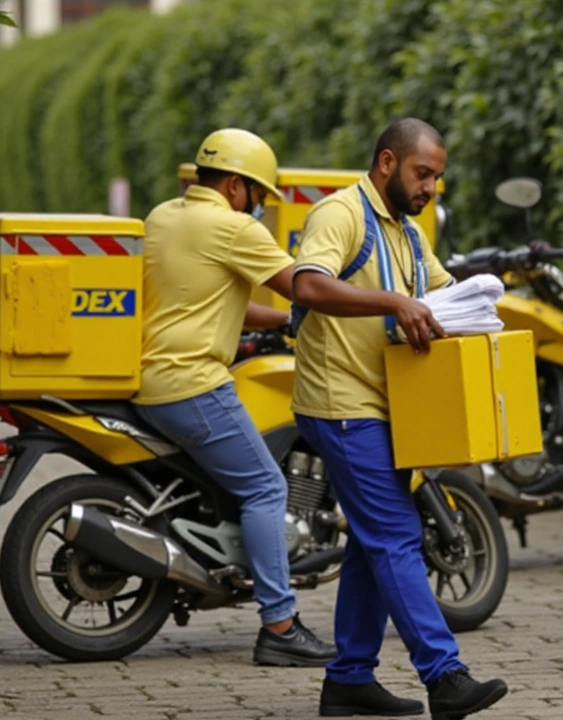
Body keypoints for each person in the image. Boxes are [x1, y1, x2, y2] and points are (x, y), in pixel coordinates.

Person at [289, 117, 509, 719]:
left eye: (437, 177)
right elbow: (309, 286)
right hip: (340, 405)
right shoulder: (342, 215)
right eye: (422, 173)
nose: (431, 187)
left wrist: (485, 300)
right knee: (395, 537)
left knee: (372, 540)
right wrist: (393, 303)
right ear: (387, 162)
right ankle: (445, 677)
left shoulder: (408, 234)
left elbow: (440, 292)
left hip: (381, 405)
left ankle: (349, 680)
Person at [132, 128, 337, 667]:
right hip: (192, 383)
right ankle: (281, 625)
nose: (262, 208)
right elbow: (305, 286)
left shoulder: (163, 216)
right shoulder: (233, 227)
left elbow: (210, 299)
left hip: (148, 380)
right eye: (260, 196)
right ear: (235, 185)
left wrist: (288, 326)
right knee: (267, 488)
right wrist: (371, 302)